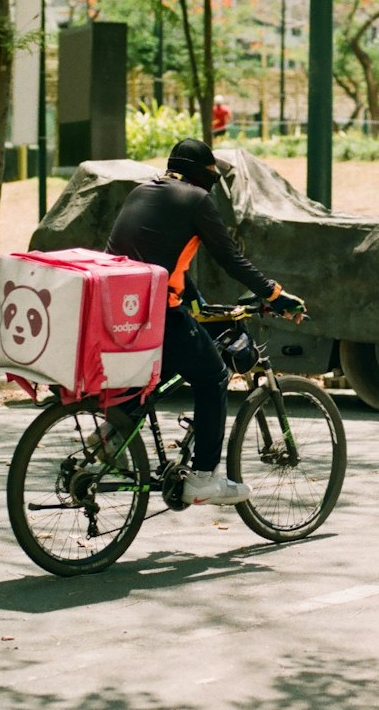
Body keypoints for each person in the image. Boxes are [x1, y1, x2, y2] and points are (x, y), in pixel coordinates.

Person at [106, 138, 303, 507]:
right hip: (157, 311)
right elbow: (231, 259)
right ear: (203, 175)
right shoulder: (196, 200)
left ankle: (108, 437)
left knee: (157, 373)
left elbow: (160, 257)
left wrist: (196, 302)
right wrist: (276, 295)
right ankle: (202, 478)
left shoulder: (140, 192)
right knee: (213, 377)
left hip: (120, 309)